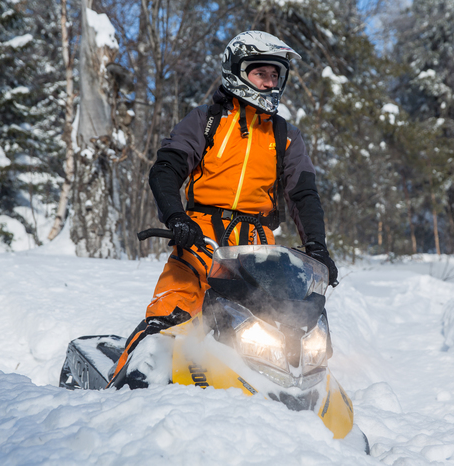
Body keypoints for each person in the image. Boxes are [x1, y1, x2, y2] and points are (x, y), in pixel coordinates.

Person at [108, 31, 337, 387]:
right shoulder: (205, 120)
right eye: (262, 73)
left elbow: (304, 195)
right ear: (237, 71)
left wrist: (317, 247)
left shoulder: (285, 136)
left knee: (285, 335)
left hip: (256, 254)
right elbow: (166, 169)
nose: (270, 82)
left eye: (276, 75)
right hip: (198, 241)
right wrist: (176, 216)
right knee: (164, 323)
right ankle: (116, 394)